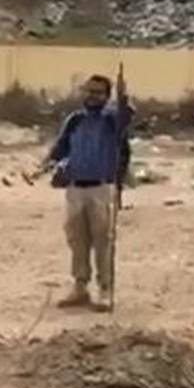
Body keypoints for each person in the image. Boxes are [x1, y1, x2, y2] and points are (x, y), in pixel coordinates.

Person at [44, 73, 133, 311]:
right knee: (77, 240)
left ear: (106, 96)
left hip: (101, 188)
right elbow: (61, 148)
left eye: (98, 93)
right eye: (88, 91)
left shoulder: (111, 121)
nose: (92, 96)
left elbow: (125, 116)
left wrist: (123, 97)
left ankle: (105, 289)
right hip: (75, 187)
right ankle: (80, 286)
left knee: (103, 241)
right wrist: (50, 164)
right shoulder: (75, 120)